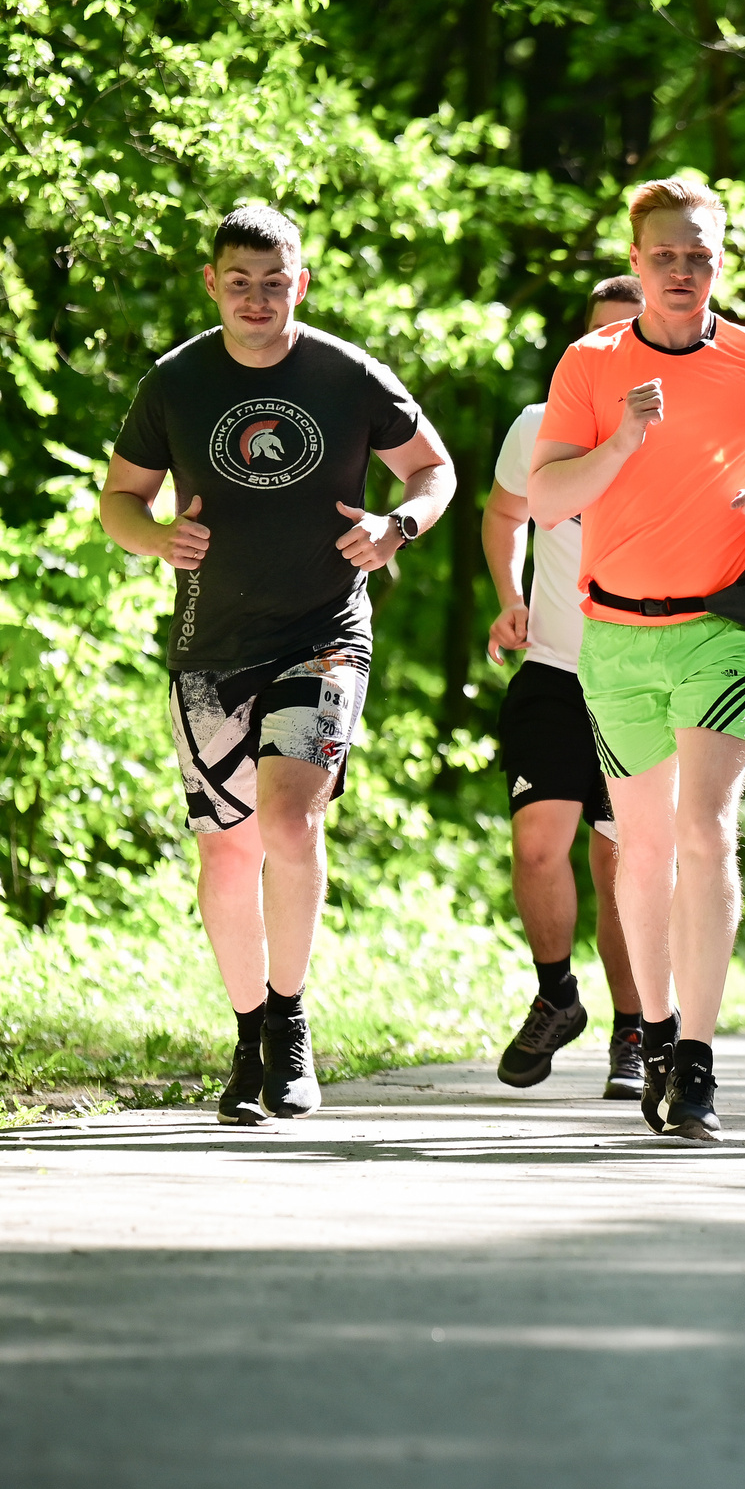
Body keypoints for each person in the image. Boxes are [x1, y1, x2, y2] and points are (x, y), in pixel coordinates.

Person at [100, 204, 457, 1126]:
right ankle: (248, 1032)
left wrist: (398, 526)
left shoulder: (347, 374)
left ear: (301, 281)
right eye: (239, 279)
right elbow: (120, 502)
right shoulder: (175, 381)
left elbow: (436, 470)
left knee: (290, 822)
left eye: (275, 279)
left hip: (324, 630)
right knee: (226, 851)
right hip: (210, 645)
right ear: (213, 283)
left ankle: (292, 1027)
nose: (257, 297)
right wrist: (154, 540)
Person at [527, 178, 745, 1146]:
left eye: (698, 255)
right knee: (644, 845)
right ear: (636, 258)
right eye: (664, 255)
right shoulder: (590, 364)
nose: (681, 271)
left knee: (705, 831)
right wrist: (624, 434)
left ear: (719, 259)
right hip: (613, 635)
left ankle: (696, 1058)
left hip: (723, 628)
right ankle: (654, 1032)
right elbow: (543, 499)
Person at [483, 276, 649, 1101]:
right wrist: (510, 599)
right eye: (598, 338)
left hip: (642, 680)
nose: (611, 352)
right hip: (551, 668)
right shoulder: (537, 426)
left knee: (621, 867)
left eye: (630, 334)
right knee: (537, 846)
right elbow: (503, 514)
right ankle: (557, 995)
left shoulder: (680, 432)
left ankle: (634, 1032)